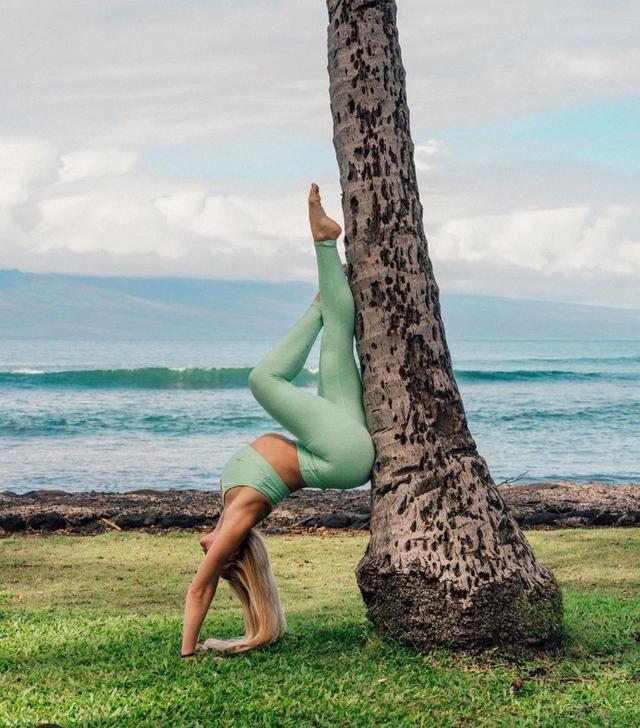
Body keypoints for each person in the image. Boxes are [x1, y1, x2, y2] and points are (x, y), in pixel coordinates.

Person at [180, 183, 375, 657]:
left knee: (336, 340)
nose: (204, 550)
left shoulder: (232, 511)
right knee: (264, 378)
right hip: (338, 458)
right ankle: (316, 300)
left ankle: (327, 243)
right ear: (231, 556)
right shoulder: (238, 523)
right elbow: (199, 590)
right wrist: (189, 649)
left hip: (335, 452)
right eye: (217, 558)